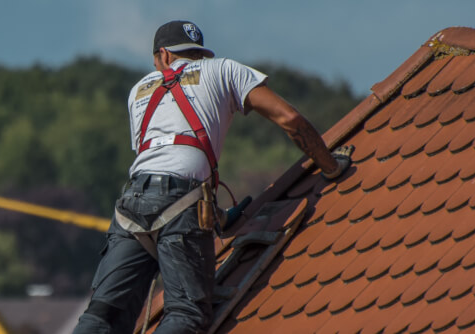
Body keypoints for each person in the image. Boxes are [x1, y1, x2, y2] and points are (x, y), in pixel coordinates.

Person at [72, 20, 353, 334]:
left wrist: (213, 215)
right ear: (196, 53)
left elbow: (161, 164)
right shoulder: (224, 70)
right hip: (183, 200)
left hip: (131, 205)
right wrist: (331, 165)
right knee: (185, 314)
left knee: (101, 317)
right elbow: (289, 118)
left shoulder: (139, 90)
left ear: (163, 56)